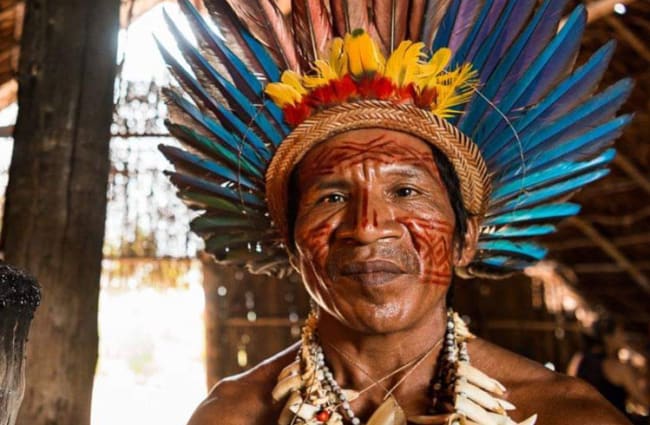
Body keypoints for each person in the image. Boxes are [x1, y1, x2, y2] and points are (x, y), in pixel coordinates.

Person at [159, 1, 634, 423]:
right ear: (293, 243)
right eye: (332, 198)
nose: (367, 227)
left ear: (465, 238)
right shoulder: (233, 417)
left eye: (406, 191)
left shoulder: (568, 415)